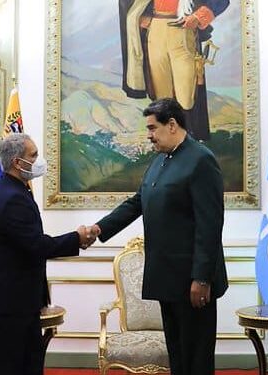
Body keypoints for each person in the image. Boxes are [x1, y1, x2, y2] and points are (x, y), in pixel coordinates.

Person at [91, 98, 228, 374]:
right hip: (167, 279)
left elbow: (210, 225)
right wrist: (99, 229)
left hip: (192, 282)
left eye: (153, 128)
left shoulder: (201, 160)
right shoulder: (160, 160)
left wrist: (201, 278)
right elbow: (137, 202)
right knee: (178, 356)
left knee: (196, 360)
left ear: (173, 125)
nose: (150, 135)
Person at [0, 133, 95, 375]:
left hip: (14, 298)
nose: (39, 160)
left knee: (28, 364)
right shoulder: (12, 196)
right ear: (18, 162)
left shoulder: (14, 189)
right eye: (34, 155)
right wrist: (76, 238)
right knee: (12, 367)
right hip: (5, 300)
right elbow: (36, 245)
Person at [118, 0, 230, 140]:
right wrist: (139, 16)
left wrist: (197, 17)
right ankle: (167, 146)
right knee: (162, 99)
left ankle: (188, 145)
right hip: (155, 32)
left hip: (184, 31)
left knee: (187, 97)